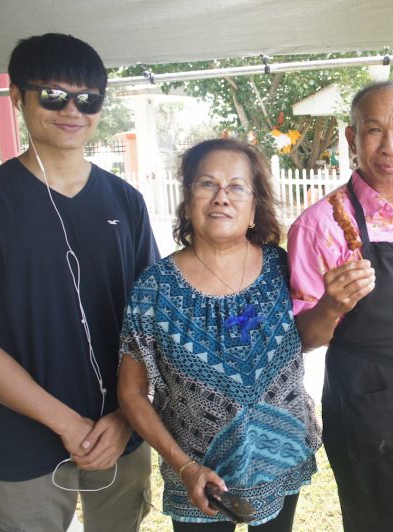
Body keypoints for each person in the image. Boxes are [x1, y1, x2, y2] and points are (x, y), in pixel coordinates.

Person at [0, 33, 159, 531]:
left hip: (120, 431)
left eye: (88, 99)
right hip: (19, 437)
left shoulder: (125, 202)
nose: (72, 109)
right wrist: (65, 422)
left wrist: (128, 416)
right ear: (18, 97)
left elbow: (154, 323)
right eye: (52, 95)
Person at [117, 138, 320, 531]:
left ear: (254, 207)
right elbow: (130, 392)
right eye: (207, 184)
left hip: (282, 456)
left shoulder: (283, 267)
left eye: (237, 187)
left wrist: (336, 304)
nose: (221, 197)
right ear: (188, 201)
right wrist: (186, 467)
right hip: (198, 475)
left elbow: (308, 337)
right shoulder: (154, 288)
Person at [287, 81, 393, 531]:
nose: (390, 145)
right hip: (366, 401)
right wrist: (331, 306)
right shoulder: (322, 226)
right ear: (351, 137)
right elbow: (300, 338)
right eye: (374, 130)